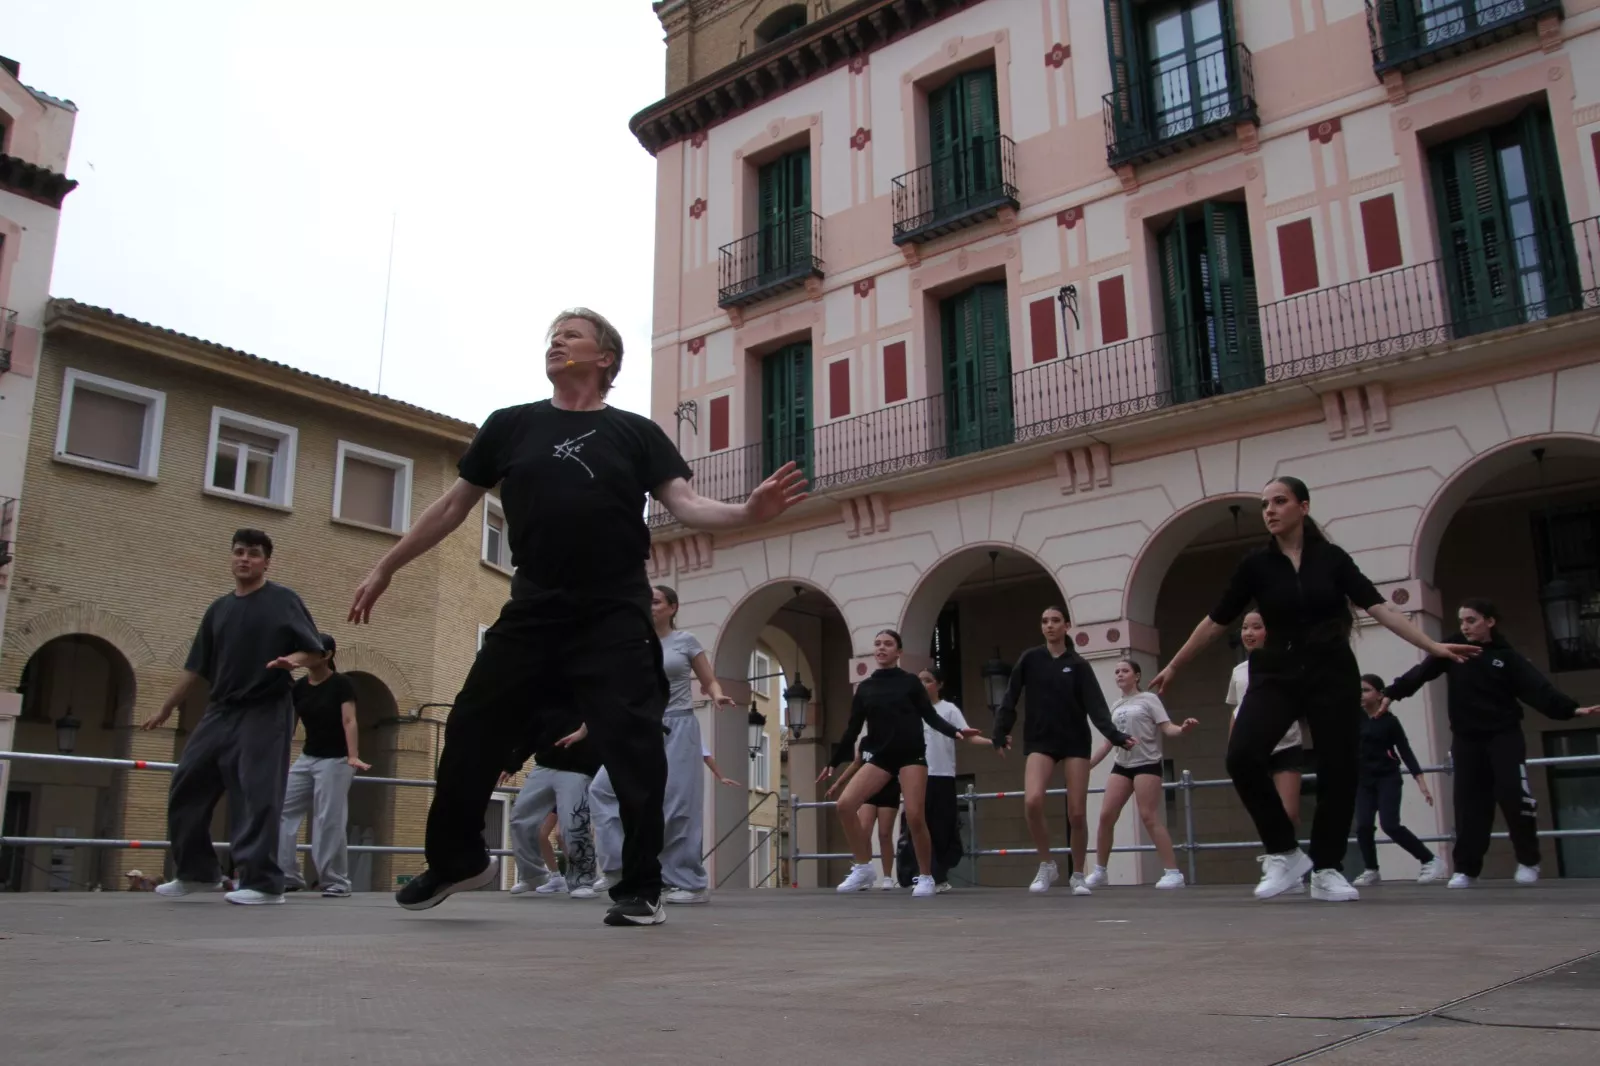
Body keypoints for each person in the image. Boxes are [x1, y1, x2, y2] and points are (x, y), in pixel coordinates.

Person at [348, 309, 806, 927]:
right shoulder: (511, 426)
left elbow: (686, 503)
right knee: (471, 729)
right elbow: (454, 506)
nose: (556, 341)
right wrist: (387, 565)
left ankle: (642, 889)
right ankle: (458, 860)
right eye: (552, 336)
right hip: (534, 606)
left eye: (571, 334)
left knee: (633, 744)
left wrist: (748, 514)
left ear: (606, 358)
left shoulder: (635, 434)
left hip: (614, 608)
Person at [1150, 477, 1479, 903]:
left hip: (1331, 670)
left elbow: (1378, 606)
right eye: (1265, 504)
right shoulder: (1256, 565)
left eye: (1280, 501)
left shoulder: (1332, 560)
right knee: (1242, 755)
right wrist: (1174, 664)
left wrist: (1432, 646)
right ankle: (1284, 851)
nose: (1269, 510)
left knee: (1340, 768)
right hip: (1276, 670)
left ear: (1303, 507)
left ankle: (1326, 868)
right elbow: (1216, 620)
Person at [142, 529, 325, 906]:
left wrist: (291, 661)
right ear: (231, 557)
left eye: (254, 554)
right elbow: (195, 668)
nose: (245, 559)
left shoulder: (283, 601)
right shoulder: (218, 609)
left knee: (258, 793)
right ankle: (198, 873)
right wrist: (165, 707)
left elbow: (314, 650)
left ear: (266, 561)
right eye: (239, 552)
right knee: (186, 784)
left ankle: (263, 883)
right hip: (221, 710)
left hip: (266, 707)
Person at [1382, 598, 1597, 888]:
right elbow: (1421, 672)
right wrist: (1393, 692)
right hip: (1466, 739)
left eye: (1471, 620)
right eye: (1461, 621)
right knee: (1469, 804)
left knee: (1514, 796)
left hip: (1503, 736)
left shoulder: (1507, 657)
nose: (1465, 627)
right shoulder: (1453, 650)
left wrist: (1571, 709)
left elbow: (1537, 689)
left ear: (1490, 622)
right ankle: (1467, 869)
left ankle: (1528, 860)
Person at [588, 584, 736, 906]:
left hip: (679, 725)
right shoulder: (633, 643)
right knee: (602, 789)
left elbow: (707, 678)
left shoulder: (685, 641)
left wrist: (716, 694)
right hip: (640, 726)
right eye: (646, 601)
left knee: (677, 806)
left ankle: (689, 883)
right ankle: (619, 866)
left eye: (655, 601)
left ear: (672, 607)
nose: (649, 606)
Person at [817, 630, 980, 898]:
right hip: (881, 757)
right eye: (878, 644)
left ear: (898, 652)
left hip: (911, 755)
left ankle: (926, 876)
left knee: (915, 816)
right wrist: (834, 762)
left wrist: (957, 732)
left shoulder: (910, 683)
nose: (881, 648)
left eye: (888, 644)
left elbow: (929, 716)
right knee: (845, 805)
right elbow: (852, 729)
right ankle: (863, 867)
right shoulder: (866, 688)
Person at [992, 606, 1134, 896]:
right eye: (1045, 621)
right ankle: (1047, 864)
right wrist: (1001, 730)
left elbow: (1096, 707)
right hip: (1040, 740)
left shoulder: (1079, 665)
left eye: (1055, 621)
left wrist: (1116, 736)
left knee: (1077, 813)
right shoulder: (1030, 659)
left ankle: (1078, 874)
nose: (1050, 626)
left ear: (1066, 626)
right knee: (1032, 802)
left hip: (1074, 743)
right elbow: (1011, 695)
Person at [1085, 659, 1197, 889]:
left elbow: (1167, 728)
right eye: (1116, 672)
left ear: (1137, 676)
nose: (1119, 675)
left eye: (1125, 671)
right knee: (1106, 815)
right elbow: (1109, 743)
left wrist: (1183, 729)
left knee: (1148, 815)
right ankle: (1100, 871)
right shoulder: (1115, 706)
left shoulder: (1149, 699)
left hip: (1146, 762)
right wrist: (1086, 765)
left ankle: (1173, 872)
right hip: (1122, 765)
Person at [277, 634, 371, 898]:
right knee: (282, 809)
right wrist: (281, 755)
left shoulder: (342, 684)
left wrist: (352, 756)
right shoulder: (300, 688)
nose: (304, 656)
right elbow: (290, 724)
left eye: (310, 652)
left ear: (327, 655)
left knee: (328, 818)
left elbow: (349, 720)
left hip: (336, 760)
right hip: (308, 757)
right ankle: (288, 876)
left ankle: (336, 881)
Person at [893, 667, 989, 892]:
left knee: (941, 826)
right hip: (914, 775)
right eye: (920, 681)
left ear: (939, 684)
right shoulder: (909, 710)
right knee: (914, 823)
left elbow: (968, 736)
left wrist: (993, 742)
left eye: (928, 680)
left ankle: (938, 876)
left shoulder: (949, 710)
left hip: (942, 775)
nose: (923, 685)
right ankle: (913, 875)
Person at [1350, 673, 1440, 887]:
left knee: (1390, 825)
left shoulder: (1390, 722)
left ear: (1380, 695)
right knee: (1363, 826)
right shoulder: (1355, 719)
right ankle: (1371, 869)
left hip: (1387, 778)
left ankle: (1429, 859)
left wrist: (1421, 783)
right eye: (1359, 690)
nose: (1361, 695)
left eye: (1366, 690)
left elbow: (1405, 751)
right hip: (1364, 780)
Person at [505, 710, 601, 900]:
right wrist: (512, 764)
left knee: (574, 825)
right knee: (519, 819)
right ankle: (533, 875)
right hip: (544, 766)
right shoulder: (548, 696)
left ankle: (583, 880)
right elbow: (531, 733)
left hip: (578, 770)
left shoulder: (593, 690)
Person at [1227, 611, 1303, 831]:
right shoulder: (1238, 672)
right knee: (1265, 816)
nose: (1249, 633)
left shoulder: (1285, 664)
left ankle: (1295, 856)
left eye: (1256, 627)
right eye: (1244, 627)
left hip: (1285, 745)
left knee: (1288, 814)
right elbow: (1236, 711)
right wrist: (1232, 749)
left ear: (1269, 632)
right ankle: (1279, 857)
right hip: (1252, 751)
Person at [824, 743, 903, 890]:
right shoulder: (866, 742)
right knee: (863, 831)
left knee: (884, 834)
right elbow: (856, 764)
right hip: (868, 790)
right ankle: (864, 871)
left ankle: (887, 877)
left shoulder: (892, 736)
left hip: (889, 789)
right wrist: (837, 784)